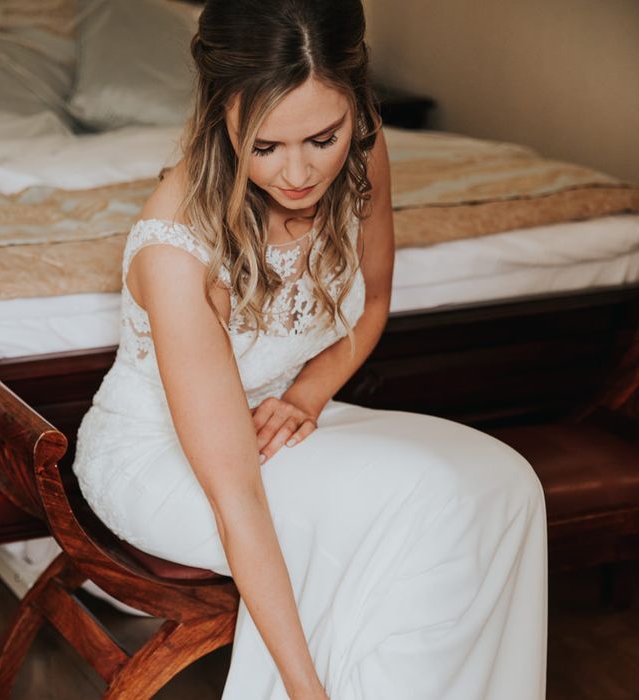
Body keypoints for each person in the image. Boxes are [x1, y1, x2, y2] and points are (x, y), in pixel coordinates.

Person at [71, 0, 548, 698]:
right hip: (161, 457)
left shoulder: (364, 147)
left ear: (354, 104)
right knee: (416, 519)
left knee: (505, 485)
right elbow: (237, 499)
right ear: (220, 116)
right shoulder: (176, 250)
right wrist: (306, 690)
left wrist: (304, 395)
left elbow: (374, 302)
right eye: (265, 146)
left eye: (321, 138)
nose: (298, 174)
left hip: (271, 415)